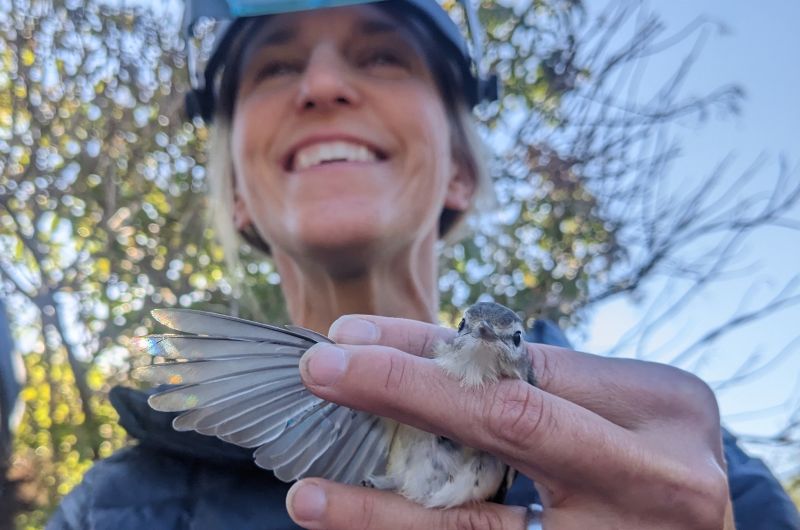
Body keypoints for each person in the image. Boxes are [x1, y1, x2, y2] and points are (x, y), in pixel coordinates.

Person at [47, 0, 800, 529]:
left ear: (460, 174)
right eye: (274, 69)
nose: (322, 86)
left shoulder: (674, 462)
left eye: (382, 56)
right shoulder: (114, 509)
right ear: (238, 195)